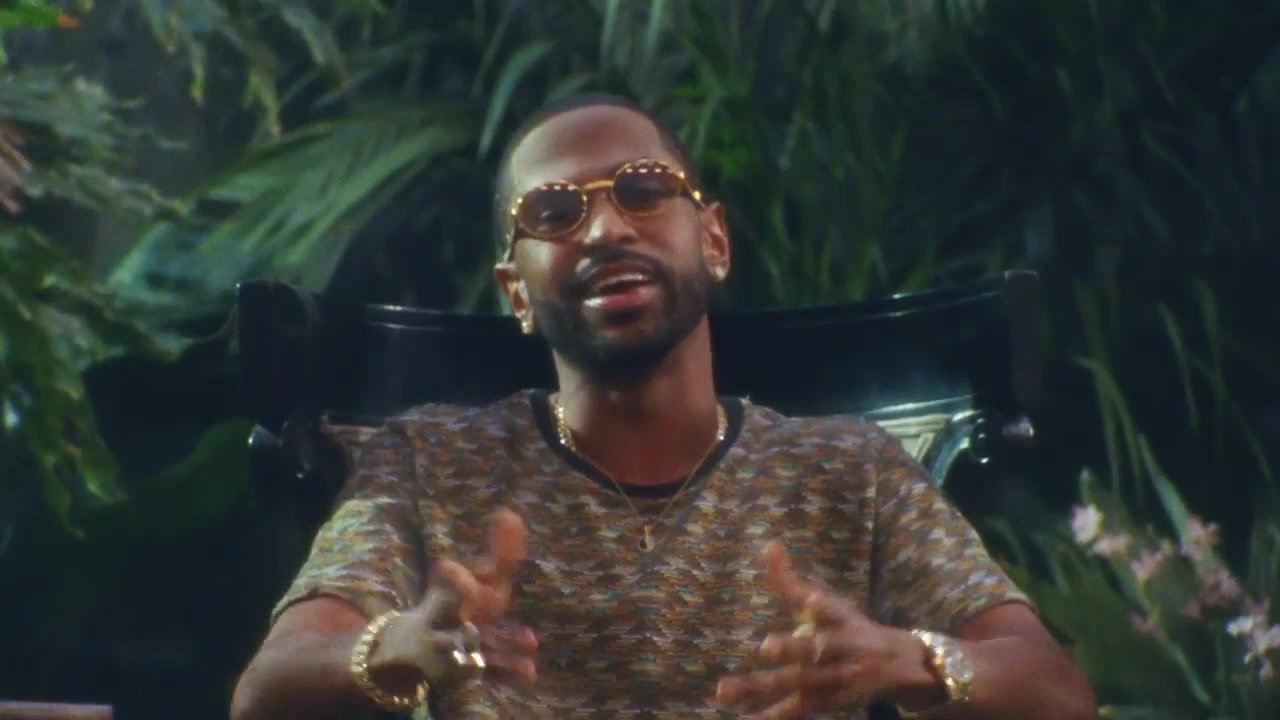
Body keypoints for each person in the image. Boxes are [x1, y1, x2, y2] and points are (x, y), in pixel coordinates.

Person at [230, 94, 1097, 720]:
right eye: (554, 212)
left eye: (643, 190)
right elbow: (266, 689)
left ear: (712, 240)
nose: (607, 229)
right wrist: (399, 647)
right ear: (515, 291)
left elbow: (1057, 690)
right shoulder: (428, 462)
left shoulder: (847, 469)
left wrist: (912, 658)